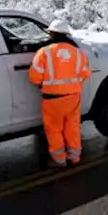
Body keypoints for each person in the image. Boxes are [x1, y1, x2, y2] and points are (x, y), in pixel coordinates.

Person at [28, 20, 92, 168]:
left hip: (52, 100)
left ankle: (59, 160)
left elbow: (34, 77)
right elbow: (85, 73)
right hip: (73, 98)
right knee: (72, 127)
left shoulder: (44, 52)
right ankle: (75, 157)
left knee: (54, 129)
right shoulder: (77, 53)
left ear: (52, 34)